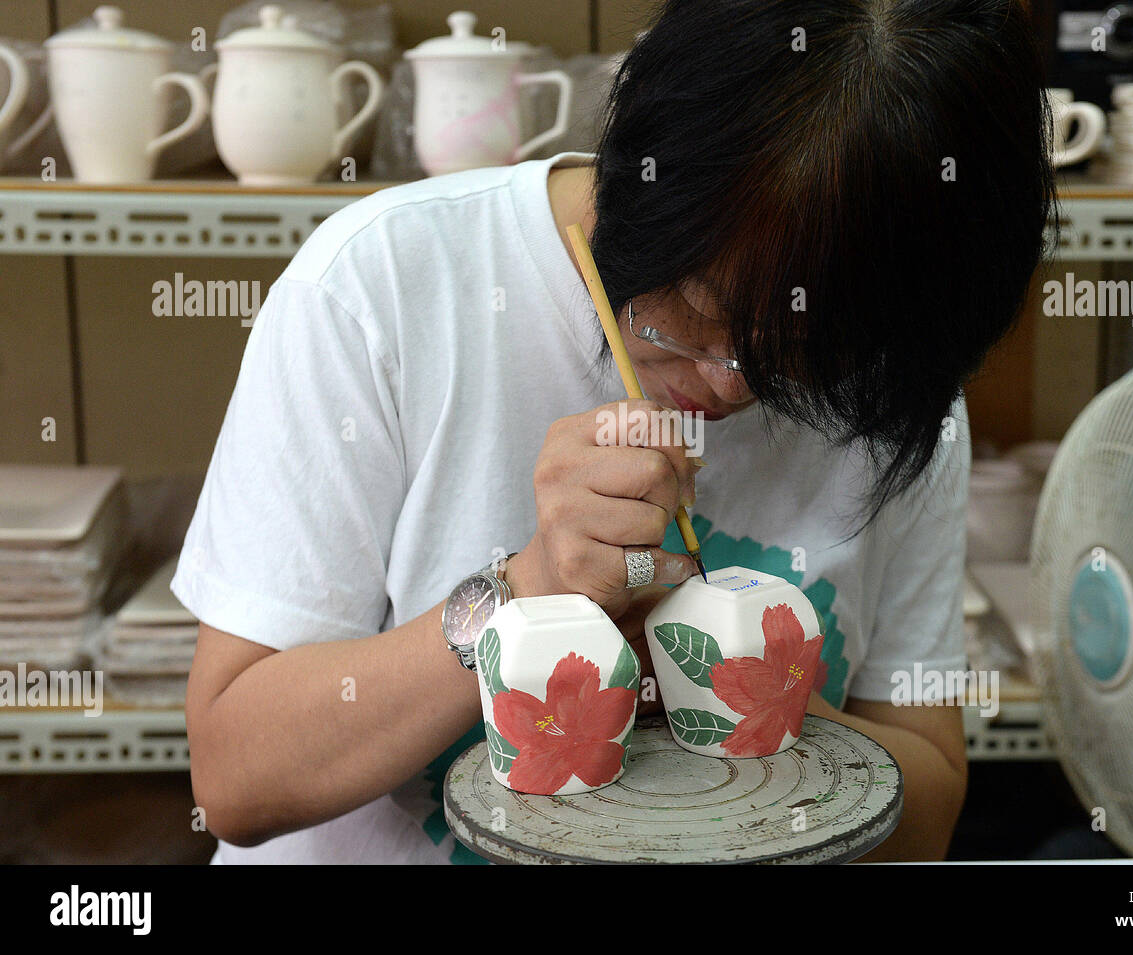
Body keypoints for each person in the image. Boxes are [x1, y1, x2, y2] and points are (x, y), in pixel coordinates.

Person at [177, 0, 1055, 864]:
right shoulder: (382, 285)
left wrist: (750, 686)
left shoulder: (893, 384)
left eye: (800, 356)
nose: (728, 385)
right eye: (697, 317)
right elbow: (233, 780)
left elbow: (930, 812)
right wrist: (524, 588)